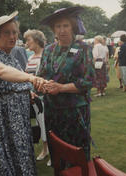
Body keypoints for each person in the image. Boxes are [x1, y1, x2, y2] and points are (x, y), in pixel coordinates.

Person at [0, 12, 46, 176]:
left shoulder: (11, 57)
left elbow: (13, 82)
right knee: (2, 161)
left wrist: (27, 91)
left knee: (20, 157)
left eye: (15, 32)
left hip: (15, 120)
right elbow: (1, 71)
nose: (13, 36)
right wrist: (30, 78)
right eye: (7, 32)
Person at [38, 6, 96, 167]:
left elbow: (88, 81)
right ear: (53, 29)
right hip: (52, 111)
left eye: (65, 25)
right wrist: (44, 84)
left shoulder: (84, 49)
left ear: (73, 26)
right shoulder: (48, 50)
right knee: (58, 155)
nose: (62, 30)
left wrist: (61, 88)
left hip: (75, 112)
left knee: (76, 154)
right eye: (58, 26)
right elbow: (41, 74)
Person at [24, 29, 49, 164]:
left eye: (29, 39)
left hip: (44, 96)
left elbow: (46, 77)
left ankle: (50, 149)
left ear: (37, 40)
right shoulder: (30, 57)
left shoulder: (46, 56)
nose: (27, 42)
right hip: (33, 96)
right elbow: (27, 76)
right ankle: (45, 149)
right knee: (39, 123)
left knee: (46, 123)